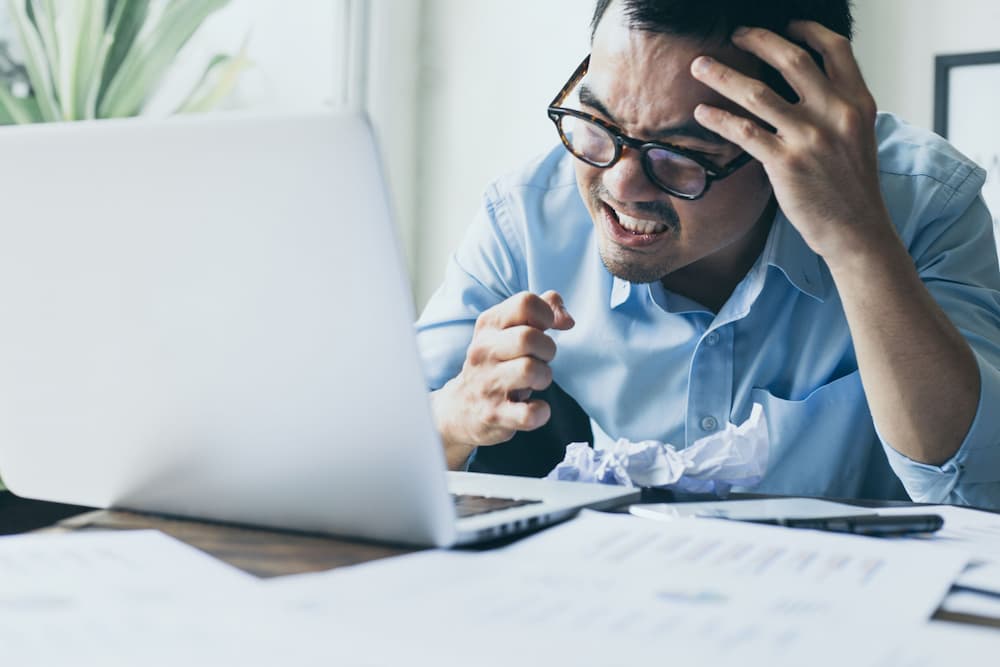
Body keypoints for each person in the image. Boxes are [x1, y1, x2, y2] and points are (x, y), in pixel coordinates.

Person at [415, 0, 1000, 507]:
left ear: (798, 131)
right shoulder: (525, 216)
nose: (619, 186)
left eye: (679, 153)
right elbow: (370, 452)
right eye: (596, 121)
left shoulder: (925, 205)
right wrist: (456, 413)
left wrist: (856, 241)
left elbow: (977, 486)